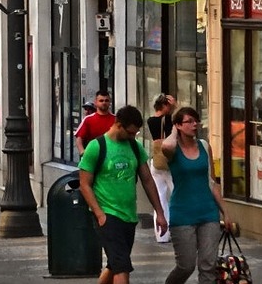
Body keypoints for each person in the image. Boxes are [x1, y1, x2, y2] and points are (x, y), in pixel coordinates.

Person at [78, 104, 168, 284]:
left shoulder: (135, 147)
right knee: (122, 266)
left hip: (128, 215)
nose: (132, 137)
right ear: (117, 124)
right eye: (129, 132)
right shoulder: (96, 147)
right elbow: (84, 184)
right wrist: (99, 214)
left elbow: (148, 180)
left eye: (135, 133)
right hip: (108, 215)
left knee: (115, 263)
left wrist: (160, 212)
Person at [159, 105, 228, 284]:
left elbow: (212, 182)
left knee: (208, 265)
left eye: (196, 120)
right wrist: (174, 130)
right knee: (186, 265)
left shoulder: (204, 146)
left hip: (208, 213)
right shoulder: (172, 150)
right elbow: (166, 145)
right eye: (189, 121)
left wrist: (225, 213)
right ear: (178, 126)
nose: (195, 124)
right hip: (182, 215)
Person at [147, 93, 177, 243]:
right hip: (169, 162)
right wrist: (175, 107)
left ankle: (161, 235)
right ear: (165, 105)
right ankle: (178, 230)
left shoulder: (150, 120)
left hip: (156, 162)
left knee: (159, 199)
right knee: (176, 195)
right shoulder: (169, 120)